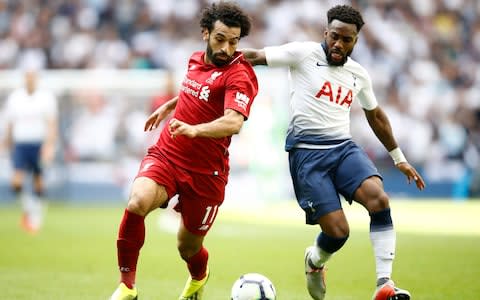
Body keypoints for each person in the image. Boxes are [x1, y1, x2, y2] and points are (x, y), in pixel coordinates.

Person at [242, 4, 425, 300]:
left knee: (379, 199)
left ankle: (384, 284)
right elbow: (256, 56)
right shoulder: (302, 53)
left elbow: (375, 116)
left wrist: (399, 159)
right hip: (307, 154)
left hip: (342, 148)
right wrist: (216, 58)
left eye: (347, 39)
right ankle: (315, 261)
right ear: (325, 33)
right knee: (339, 233)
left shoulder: (358, 74)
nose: (338, 44)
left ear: (356, 41)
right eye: (334, 37)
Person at [109, 2, 257, 300]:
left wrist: (195, 130)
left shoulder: (240, 75)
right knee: (137, 201)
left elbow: (233, 122)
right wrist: (170, 105)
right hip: (168, 153)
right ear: (205, 33)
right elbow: (197, 89)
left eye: (234, 41)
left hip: (206, 172)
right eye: (220, 39)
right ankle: (127, 286)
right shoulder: (194, 60)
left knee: (186, 247)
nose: (227, 48)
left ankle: (199, 276)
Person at [3, 69, 58, 233]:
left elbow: (51, 123)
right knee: (16, 182)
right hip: (20, 144)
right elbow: (10, 123)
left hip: (38, 144)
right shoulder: (15, 98)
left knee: (38, 182)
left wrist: (49, 146)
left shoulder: (46, 98)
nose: (29, 80)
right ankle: (29, 208)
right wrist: (6, 142)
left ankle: (37, 214)